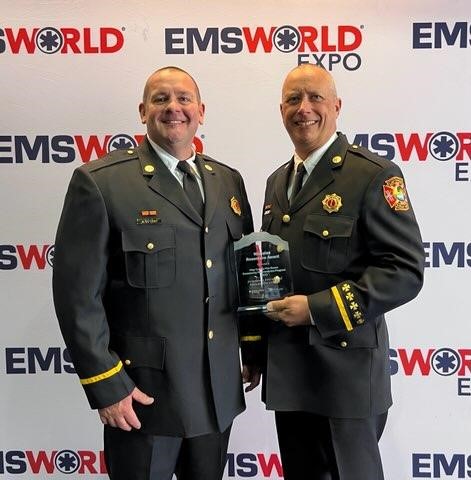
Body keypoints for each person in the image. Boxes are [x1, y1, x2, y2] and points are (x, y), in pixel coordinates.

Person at [52, 66, 262, 480]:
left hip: (216, 395)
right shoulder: (101, 183)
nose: (173, 108)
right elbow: (76, 297)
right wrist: (107, 386)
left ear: (201, 111)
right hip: (142, 398)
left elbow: (245, 275)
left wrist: (252, 349)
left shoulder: (228, 183)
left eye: (184, 99)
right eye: (161, 98)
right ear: (143, 110)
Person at [260, 64, 425, 479]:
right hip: (291, 374)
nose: (304, 108)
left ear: (337, 106)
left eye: (315, 97)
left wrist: (317, 309)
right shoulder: (277, 182)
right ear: (281, 110)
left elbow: (404, 270)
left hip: (346, 377)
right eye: (294, 99)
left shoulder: (371, 175)